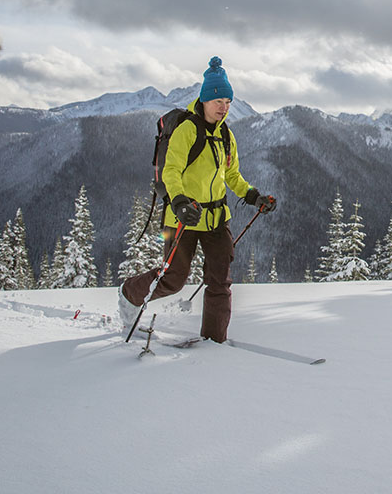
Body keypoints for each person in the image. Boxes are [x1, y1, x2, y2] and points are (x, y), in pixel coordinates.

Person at [118, 56, 276, 342]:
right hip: (184, 217)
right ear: (204, 100)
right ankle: (129, 293)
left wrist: (254, 197)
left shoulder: (227, 135)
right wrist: (178, 202)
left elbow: (232, 176)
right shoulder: (187, 130)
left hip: (216, 220)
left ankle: (214, 341)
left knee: (220, 281)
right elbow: (172, 171)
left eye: (228, 102)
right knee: (173, 279)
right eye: (218, 102)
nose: (224, 108)